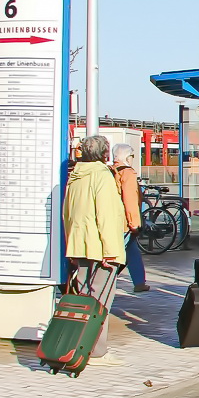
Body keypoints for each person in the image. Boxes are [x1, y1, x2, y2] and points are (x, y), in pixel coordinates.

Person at [62, 135, 127, 365]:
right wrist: (111, 251)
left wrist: (70, 244)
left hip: (79, 246)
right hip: (100, 250)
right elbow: (107, 216)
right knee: (100, 302)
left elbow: (67, 214)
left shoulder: (76, 176)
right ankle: (96, 351)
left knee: (84, 299)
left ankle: (77, 344)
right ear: (104, 154)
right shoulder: (102, 176)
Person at [110, 143, 149, 293]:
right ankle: (107, 280)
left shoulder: (111, 171)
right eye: (132, 156)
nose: (133, 159)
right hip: (125, 222)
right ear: (126, 157)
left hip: (114, 219)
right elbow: (130, 199)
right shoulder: (128, 173)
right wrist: (135, 223)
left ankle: (139, 281)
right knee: (120, 252)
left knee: (132, 250)